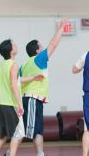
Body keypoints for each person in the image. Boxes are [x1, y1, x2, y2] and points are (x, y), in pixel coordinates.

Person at [20, 19, 66, 156]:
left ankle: (40, 153)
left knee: (38, 130)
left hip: (32, 99)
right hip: (32, 98)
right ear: (37, 50)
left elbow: (17, 81)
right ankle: (10, 151)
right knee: (28, 130)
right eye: (41, 46)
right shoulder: (38, 59)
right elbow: (53, 45)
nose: (43, 48)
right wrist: (61, 28)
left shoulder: (24, 65)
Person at [0, 39, 26, 156]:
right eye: (14, 44)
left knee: (4, 132)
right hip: (10, 103)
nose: (16, 45)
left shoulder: (2, 65)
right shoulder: (13, 64)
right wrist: (20, 104)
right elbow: (13, 85)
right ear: (11, 50)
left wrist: (34, 77)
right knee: (18, 134)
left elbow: (16, 81)